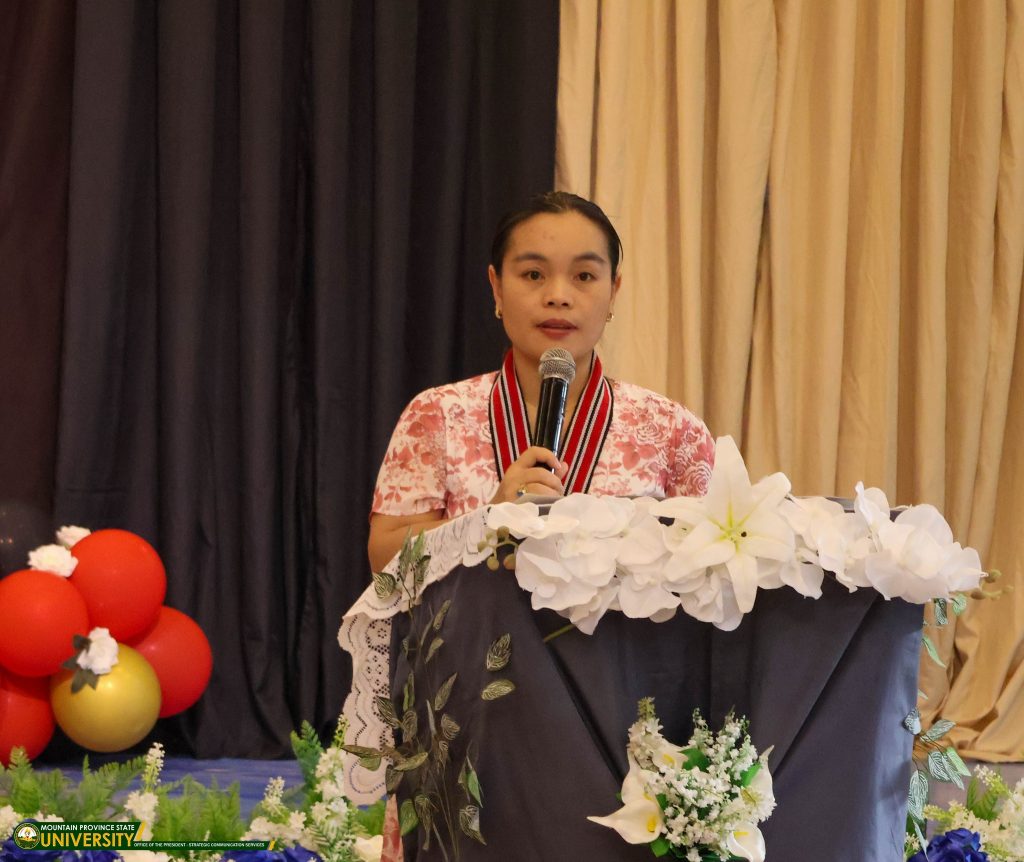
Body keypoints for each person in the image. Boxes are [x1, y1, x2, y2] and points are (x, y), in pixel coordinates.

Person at [368, 191, 714, 573]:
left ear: (613, 291)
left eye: (584, 276)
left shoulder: (673, 429)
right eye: (534, 274)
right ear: (497, 287)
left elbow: (710, 567)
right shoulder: (438, 414)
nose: (558, 296)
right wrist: (488, 520)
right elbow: (383, 558)